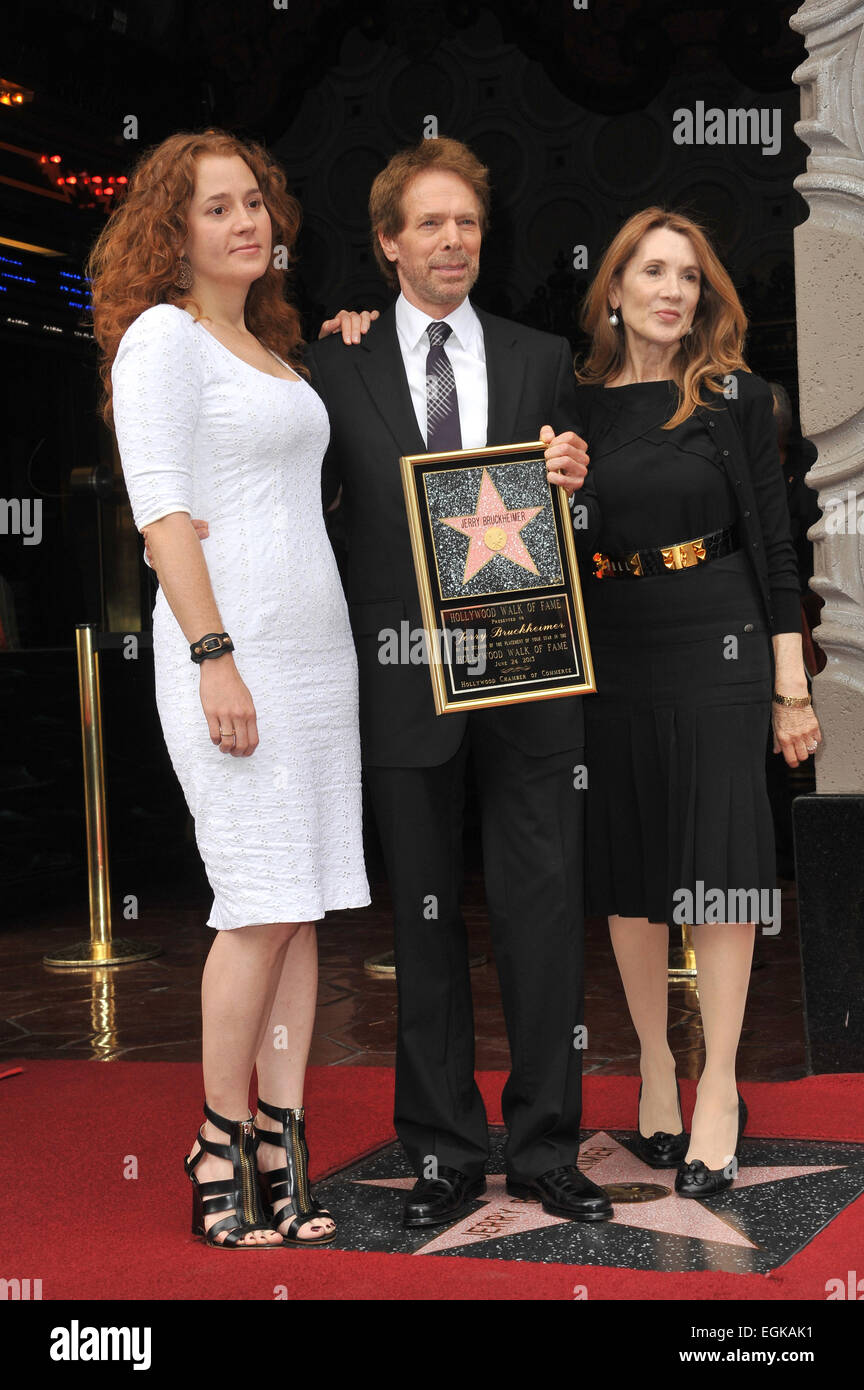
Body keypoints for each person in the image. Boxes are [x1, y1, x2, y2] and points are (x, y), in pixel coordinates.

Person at [300, 135, 613, 1228]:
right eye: (428, 223)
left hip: (528, 677)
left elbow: (581, 526)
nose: (452, 240)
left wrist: (576, 485)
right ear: (388, 243)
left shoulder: (537, 357)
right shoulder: (332, 365)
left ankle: (544, 1149)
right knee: (421, 930)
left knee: (543, 916)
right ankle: (437, 1149)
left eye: (467, 222)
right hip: (401, 682)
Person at [88, 128, 371, 1248]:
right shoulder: (163, 339)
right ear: (174, 230)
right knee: (257, 901)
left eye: (254, 202)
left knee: (300, 910)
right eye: (216, 208)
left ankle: (280, 1132)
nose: (245, 221)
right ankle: (218, 1134)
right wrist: (213, 655)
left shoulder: (274, 347)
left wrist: (354, 341)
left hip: (319, 659)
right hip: (229, 656)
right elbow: (160, 513)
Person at [572, 208, 821, 1195]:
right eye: (654, 272)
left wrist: (788, 687)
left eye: (690, 277)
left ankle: (719, 1082)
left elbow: (775, 547)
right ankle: (654, 1064)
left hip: (717, 633)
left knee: (719, 858)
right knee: (632, 861)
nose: (674, 291)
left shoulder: (733, 399)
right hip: (615, 646)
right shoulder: (575, 406)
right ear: (617, 289)